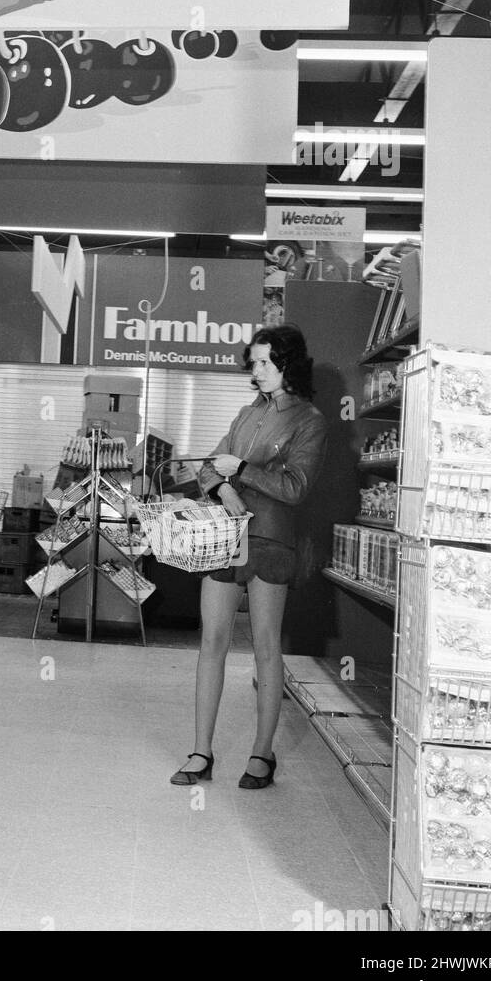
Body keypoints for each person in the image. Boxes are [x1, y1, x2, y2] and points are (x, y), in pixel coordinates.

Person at [171, 324, 327, 791]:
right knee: (211, 642)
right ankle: (202, 751)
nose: (256, 372)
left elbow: (296, 488)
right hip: (225, 537)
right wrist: (221, 487)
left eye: (264, 363)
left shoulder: (310, 420)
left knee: (264, 646)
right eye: (253, 363)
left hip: (272, 542)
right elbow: (206, 465)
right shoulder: (245, 414)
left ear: (287, 364)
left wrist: (241, 471)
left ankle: (262, 754)